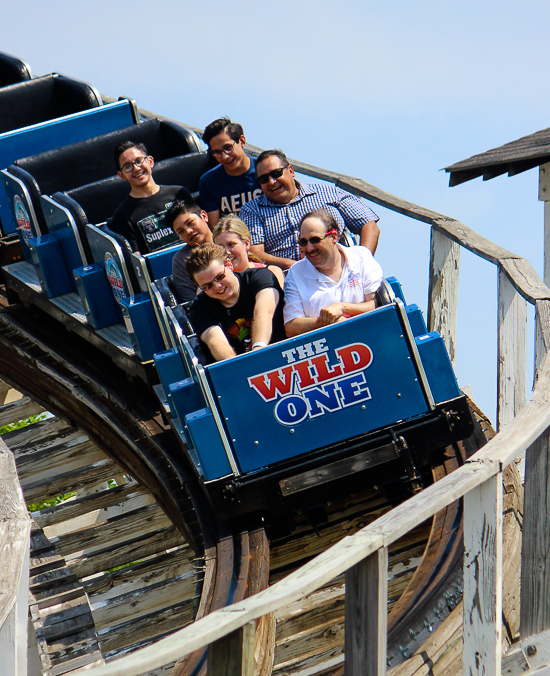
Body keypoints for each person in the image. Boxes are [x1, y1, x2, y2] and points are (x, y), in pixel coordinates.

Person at [239, 150, 380, 270]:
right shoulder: (251, 210)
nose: (271, 181)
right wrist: (294, 267)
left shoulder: (328, 193)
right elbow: (255, 252)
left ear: (291, 171)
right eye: (264, 179)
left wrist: (363, 264)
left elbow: (369, 225)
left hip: (340, 271)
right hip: (287, 282)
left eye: (276, 173)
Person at [284, 210, 383, 337]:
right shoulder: (296, 273)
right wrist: (329, 321)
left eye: (315, 240)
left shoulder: (361, 257)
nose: (309, 248)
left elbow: (378, 304)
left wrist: (343, 308)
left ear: (334, 237)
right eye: (303, 242)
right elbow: (291, 326)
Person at [186, 243, 285, 362]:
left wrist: (259, 348)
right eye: (208, 286)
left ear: (229, 264)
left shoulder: (260, 277)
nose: (217, 286)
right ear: (198, 286)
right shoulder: (199, 308)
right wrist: (239, 366)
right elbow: (215, 341)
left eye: (220, 276)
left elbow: (264, 312)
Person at [110, 140, 192, 253]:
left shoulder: (179, 193)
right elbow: (137, 258)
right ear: (121, 175)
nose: (136, 168)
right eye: (127, 166)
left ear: (150, 161)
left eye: (139, 161)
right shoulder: (122, 216)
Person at [200, 117, 262, 229]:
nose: (225, 157)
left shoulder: (264, 168)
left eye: (228, 148)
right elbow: (215, 230)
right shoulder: (209, 182)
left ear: (241, 141)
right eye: (217, 153)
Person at [212, 215, 285, 287]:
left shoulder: (273, 272)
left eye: (231, 244)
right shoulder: (215, 284)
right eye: (220, 247)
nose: (226, 251)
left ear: (246, 244)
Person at [166, 201, 213, 303]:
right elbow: (191, 302)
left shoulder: (228, 239)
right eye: (181, 231)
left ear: (204, 216)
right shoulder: (181, 260)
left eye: (190, 223)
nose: (188, 231)